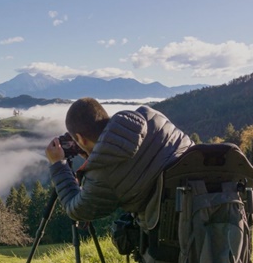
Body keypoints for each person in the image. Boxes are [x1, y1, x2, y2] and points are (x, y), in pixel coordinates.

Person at [45, 97, 193, 228]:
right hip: (204, 202)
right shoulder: (150, 116)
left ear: (81, 139)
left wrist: (59, 165)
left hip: (168, 235)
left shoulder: (103, 176)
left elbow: (76, 210)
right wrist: (97, 155)